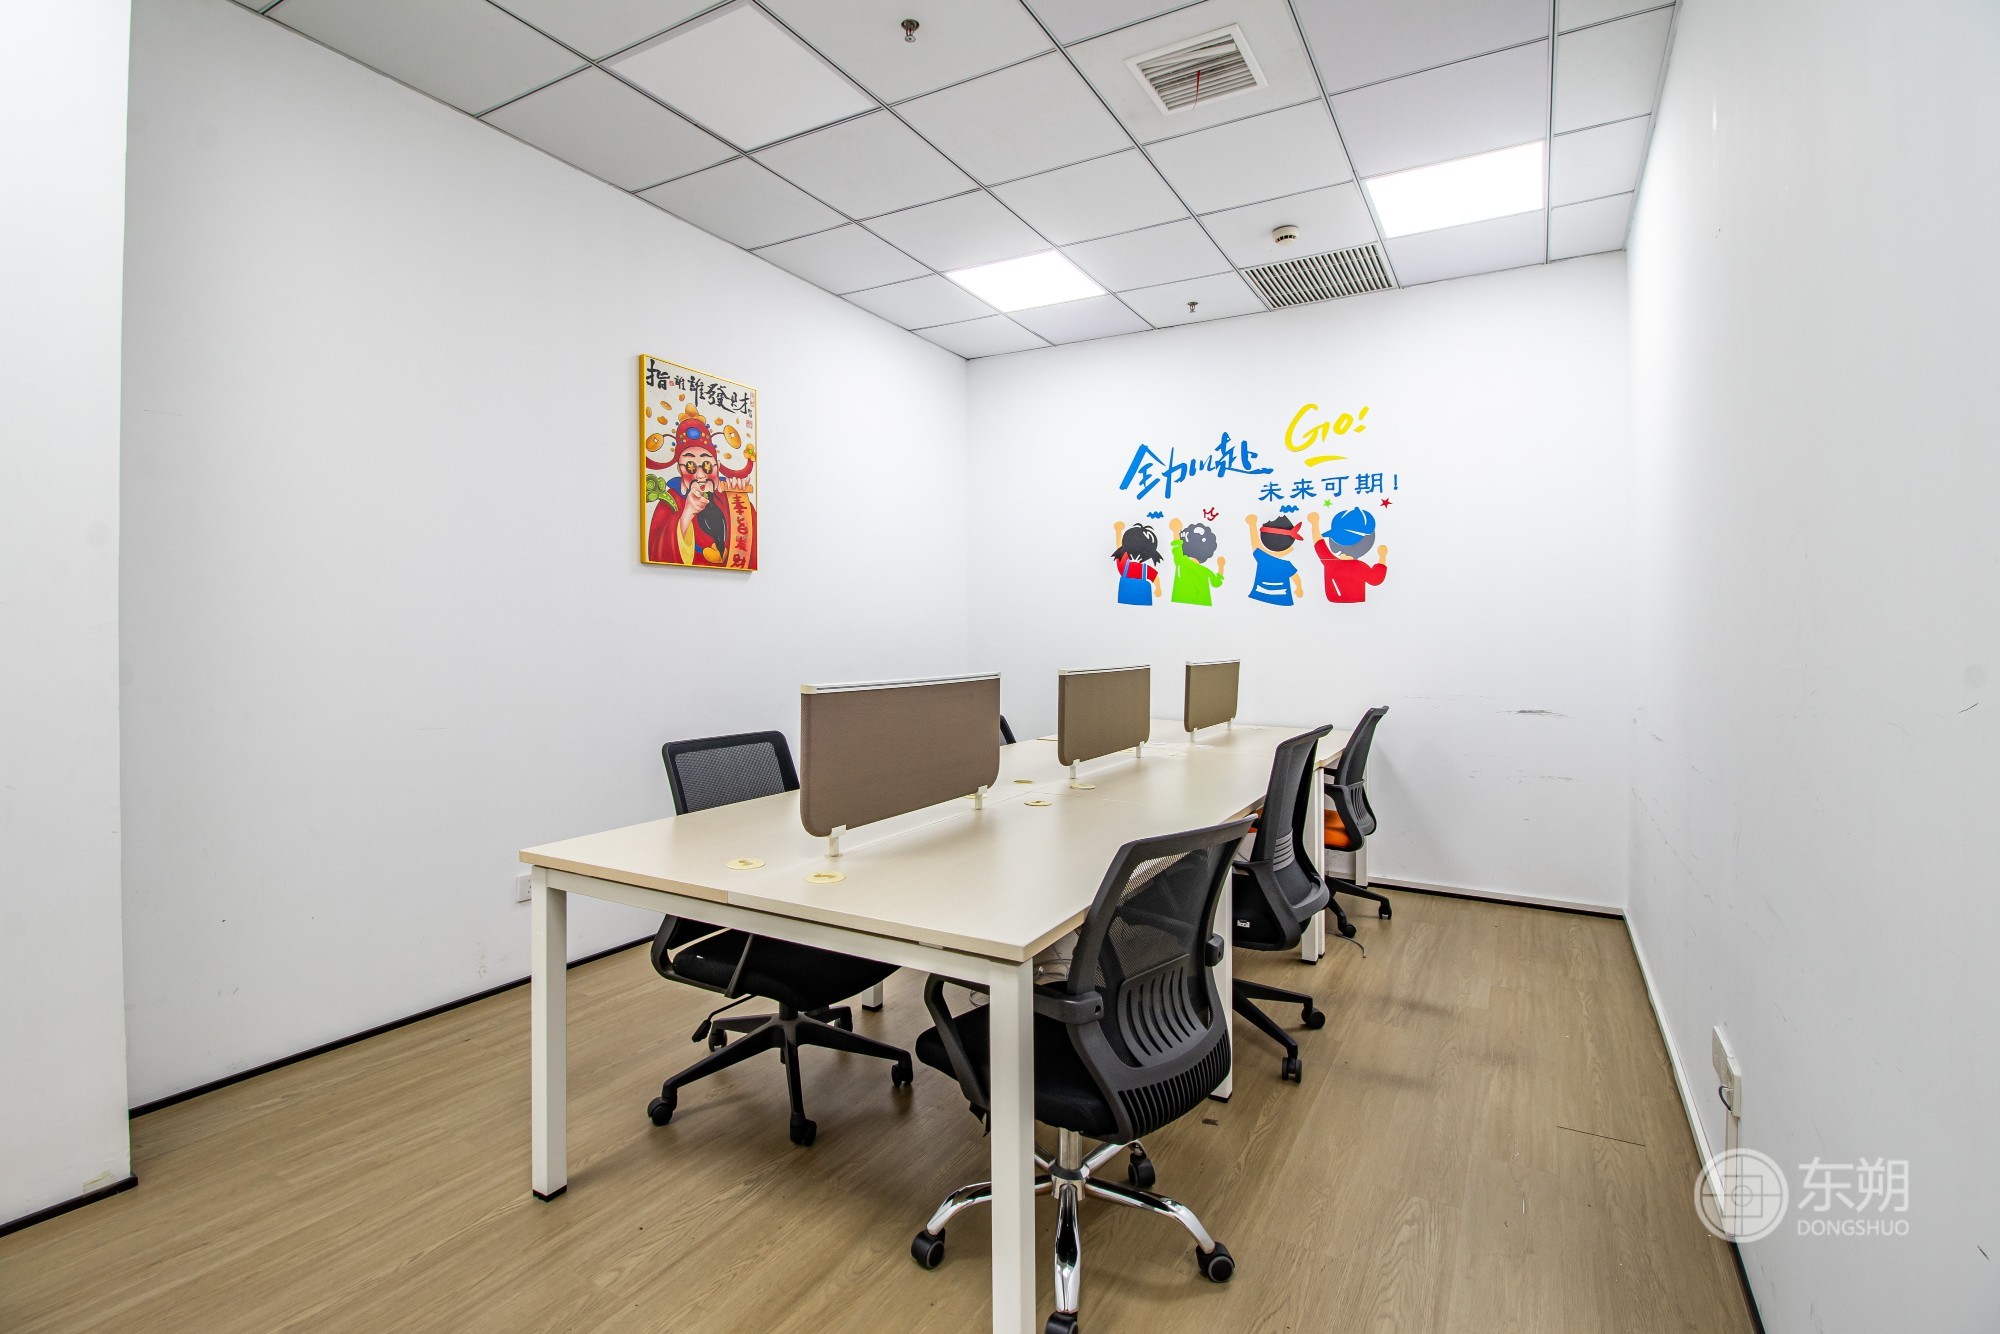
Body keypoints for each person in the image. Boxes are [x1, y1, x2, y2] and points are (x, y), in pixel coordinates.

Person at [646, 408, 756, 567]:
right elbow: (657, 553)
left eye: (706, 465)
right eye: (690, 466)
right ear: (679, 470)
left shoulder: (729, 496)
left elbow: (752, 549)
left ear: (717, 467)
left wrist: (741, 500)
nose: (700, 475)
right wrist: (687, 514)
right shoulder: (670, 500)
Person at [1311, 506, 1389, 603]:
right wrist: (1382, 556)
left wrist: (1314, 523)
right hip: (1358, 604)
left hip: (1335, 601)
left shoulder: (1330, 562)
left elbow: (1319, 545)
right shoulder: (1360, 567)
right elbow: (1376, 579)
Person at [1244, 513, 1304, 606]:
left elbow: (1255, 544)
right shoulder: (1286, 564)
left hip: (1260, 594)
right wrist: (1299, 588)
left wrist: (1252, 525)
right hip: (1282, 598)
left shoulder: (1263, 558)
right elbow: (1295, 577)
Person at [1167, 517, 1225, 606]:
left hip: (1180, 602)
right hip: (1202, 605)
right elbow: (1217, 582)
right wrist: (1221, 566)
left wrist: (1176, 531)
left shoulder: (1182, 561)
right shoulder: (1206, 571)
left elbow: (1177, 546)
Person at [1110, 521, 1162, 605]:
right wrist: (1158, 589)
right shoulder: (1145, 570)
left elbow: (1120, 548)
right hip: (1143, 603)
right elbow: (1155, 577)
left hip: (1125, 601)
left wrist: (1118, 531)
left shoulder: (1123, 567)